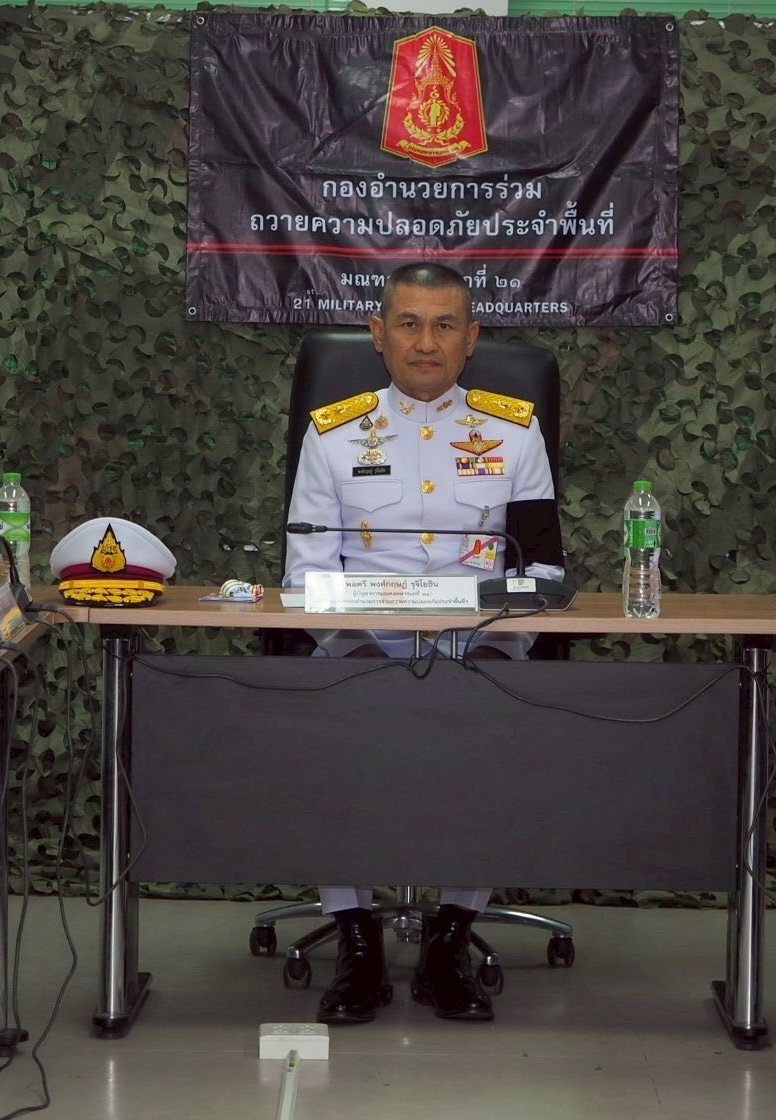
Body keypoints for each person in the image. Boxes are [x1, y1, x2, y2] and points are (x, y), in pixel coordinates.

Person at [283, 262, 565, 1027]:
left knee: (493, 732)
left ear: (472, 339)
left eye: (445, 326)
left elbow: (540, 573)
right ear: (378, 335)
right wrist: (365, 656)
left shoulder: (514, 431)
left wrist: (485, 644)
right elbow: (306, 576)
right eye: (409, 324)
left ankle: (450, 939)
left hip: (478, 648)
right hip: (360, 646)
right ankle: (356, 940)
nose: (426, 343)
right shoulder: (332, 434)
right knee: (325, 735)